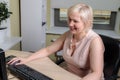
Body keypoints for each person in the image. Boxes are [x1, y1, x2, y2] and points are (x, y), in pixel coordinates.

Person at [8, 3, 105, 80]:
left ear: (87, 22)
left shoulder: (95, 41)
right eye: (69, 19)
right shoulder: (68, 34)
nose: (70, 24)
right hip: (68, 75)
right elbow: (47, 50)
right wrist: (26, 59)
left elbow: (96, 73)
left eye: (75, 21)